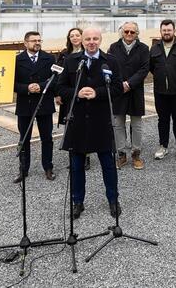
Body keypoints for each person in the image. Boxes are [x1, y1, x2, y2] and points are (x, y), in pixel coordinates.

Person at [56, 27, 123, 219]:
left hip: (101, 120)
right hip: (77, 120)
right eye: (88, 39)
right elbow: (60, 87)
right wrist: (76, 93)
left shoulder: (110, 61)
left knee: (108, 164)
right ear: (82, 41)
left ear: (100, 40)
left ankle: (112, 199)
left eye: (95, 38)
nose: (91, 42)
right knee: (77, 166)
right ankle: (78, 201)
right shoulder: (71, 61)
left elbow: (118, 87)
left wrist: (97, 93)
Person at [13, 31, 56, 183]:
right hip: (25, 104)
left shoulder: (49, 58)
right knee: (24, 138)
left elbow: (56, 79)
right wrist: (26, 88)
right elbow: (12, 83)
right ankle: (23, 169)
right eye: (33, 41)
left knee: (47, 138)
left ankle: (48, 167)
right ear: (25, 43)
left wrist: (41, 85)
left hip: (44, 103)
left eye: (39, 40)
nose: (37, 43)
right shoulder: (17, 60)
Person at [108, 21, 149, 170]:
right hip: (118, 91)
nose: (129, 34)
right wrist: (120, 84)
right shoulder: (113, 47)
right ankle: (121, 154)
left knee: (136, 125)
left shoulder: (143, 48)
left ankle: (136, 153)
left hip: (135, 90)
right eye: (126, 32)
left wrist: (129, 84)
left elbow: (145, 69)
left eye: (132, 32)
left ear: (137, 33)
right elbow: (110, 67)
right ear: (122, 32)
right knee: (118, 124)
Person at [149, 19, 176, 161]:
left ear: (174, 31)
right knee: (163, 120)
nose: (166, 33)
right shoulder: (154, 48)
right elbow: (152, 68)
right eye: (164, 30)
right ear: (161, 31)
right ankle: (163, 146)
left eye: (169, 30)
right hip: (160, 91)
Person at [55, 27, 91, 170]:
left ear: (82, 37)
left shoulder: (88, 53)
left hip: (84, 96)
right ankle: (73, 157)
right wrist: (57, 94)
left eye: (77, 35)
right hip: (68, 95)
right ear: (69, 39)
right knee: (70, 126)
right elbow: (57, 75)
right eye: (72, 36)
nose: (75, 38)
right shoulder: (64, 55)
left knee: (85, 127)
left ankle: (86, 156)